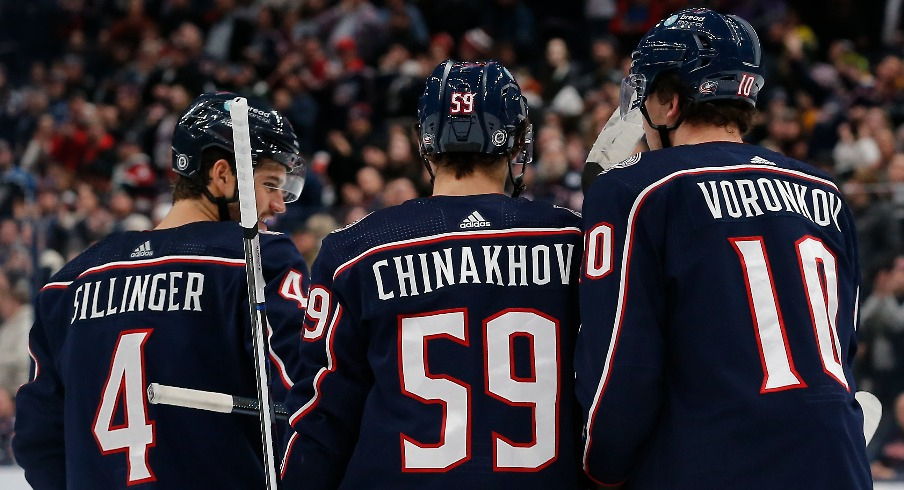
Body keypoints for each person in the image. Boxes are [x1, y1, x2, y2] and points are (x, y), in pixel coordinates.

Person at [576, 8, 872, 489]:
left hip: (716, 464)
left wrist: (600, 470)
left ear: (670, 101)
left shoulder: (636, 191)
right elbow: (843, 350)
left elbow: (621, 377)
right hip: (838, 464)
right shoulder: (824, 191)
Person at [280, 60, 584, 489]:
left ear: (424, 144)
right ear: (515, 142)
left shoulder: (355, 250)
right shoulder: (574, 238)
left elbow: (321, 414)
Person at [13, 91, 311, 489]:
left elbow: (37, 441)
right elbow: (311, 396)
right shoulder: (256, 259)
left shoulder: (69, 284)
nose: (280, 204)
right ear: (222, 175)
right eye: (271, 184)